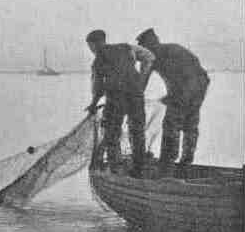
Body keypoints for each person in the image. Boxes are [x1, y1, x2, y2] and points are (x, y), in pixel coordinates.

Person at [136, 28, 210, 174]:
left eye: (144, 46)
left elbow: (142, 82)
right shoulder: (173, 48)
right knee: (190, 125)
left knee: (171, 125)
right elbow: (194, 70)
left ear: (148, 44)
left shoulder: (151, 56)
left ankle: (166, 166)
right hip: (201, 85)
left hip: (187, 88)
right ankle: (186, 163)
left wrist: (134, 97)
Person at [86, 30, 155, 177]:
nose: (91, 50)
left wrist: (93, 104)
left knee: (112, 133)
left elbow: (97, 88)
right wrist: (141, 82)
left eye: (90, 46)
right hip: (136, 95)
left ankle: (116, 169)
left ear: (94, 44)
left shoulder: (98, 61)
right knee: (137, 131)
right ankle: (139, 168)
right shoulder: (127, 47)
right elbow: (149, 57)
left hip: (116, 97)